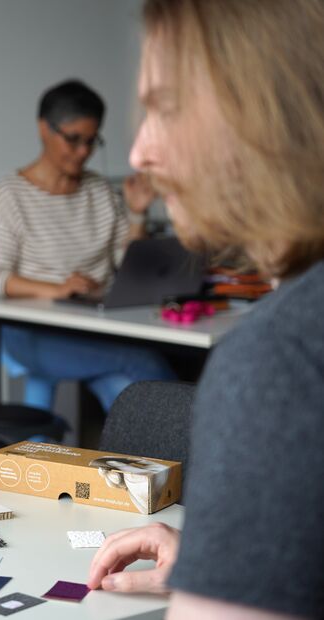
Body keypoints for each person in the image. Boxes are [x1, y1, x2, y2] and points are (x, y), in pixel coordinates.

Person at [86, 1, 324, 617]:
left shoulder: (280, 359)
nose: (138, 152)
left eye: (166, 108)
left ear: (270, 114)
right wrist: (233, 559)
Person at [0, 79, 175, 412]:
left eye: (91, 141)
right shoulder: (11, 195)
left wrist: (137, 213)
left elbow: (126, 268)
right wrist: (57, 289)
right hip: (32, 335)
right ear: (44, 129)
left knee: (131, 395)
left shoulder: (99, 191)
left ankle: (148, 459)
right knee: (143, 363)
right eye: (73, 140)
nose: (83, 152)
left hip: (95, 326)